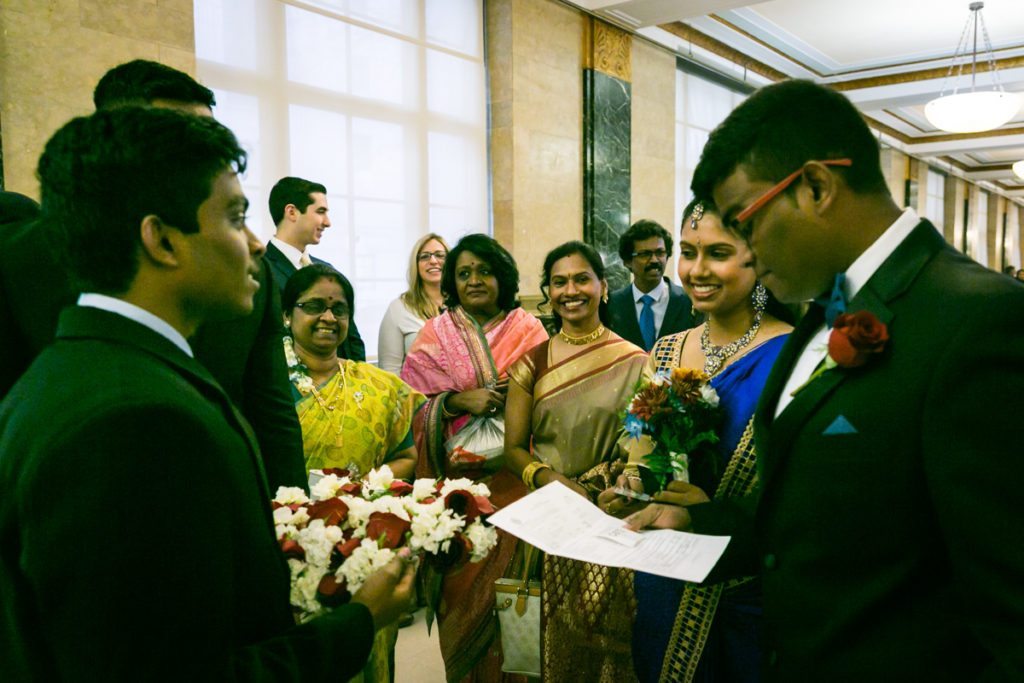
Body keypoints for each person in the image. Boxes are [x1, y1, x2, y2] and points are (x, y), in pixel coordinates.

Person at [626, 79, 1024, 680]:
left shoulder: (980, 322)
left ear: (814, 187)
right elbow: (804, 527)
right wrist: (696, 521)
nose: (749, 255)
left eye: (746, 224)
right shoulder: (818, 314)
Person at [0, 106, 415, 681]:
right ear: (163, 240)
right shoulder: (137, 420)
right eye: (235, 216)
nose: (250, 243)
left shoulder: (76, 368)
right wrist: (360, 621)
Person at [0, 59, 307, 491]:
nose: (203, 150)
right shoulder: (19, 262)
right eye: (179, 138)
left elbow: (271, 412)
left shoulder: (248, 270)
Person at [616, 201, 791, 683]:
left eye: (718, 252)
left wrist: (708, 510)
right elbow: (642, 449)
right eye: (688, 252)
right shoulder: (668, 348)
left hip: (746, 582)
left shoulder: (795, 356)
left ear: (759, 258)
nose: (697, 270)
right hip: (664, 571)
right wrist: (633, 481)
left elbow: (800, 495)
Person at [401, 233, 548, 681]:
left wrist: (515, 401)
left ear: (502, 276)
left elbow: (551, 405)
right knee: (461, 592)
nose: (474, 280)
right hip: (457, 494)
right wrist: (456, 402)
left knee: (516, 599)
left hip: (517, 485)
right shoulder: (436, 333)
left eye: (484, 270)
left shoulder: (531, 330)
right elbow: (412, 406)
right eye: (463, 274)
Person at [504, 240, 649, 682]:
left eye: (581, 278)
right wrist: (546, 477)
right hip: (550, 512)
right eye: (559, 281)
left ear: (603, 287)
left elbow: (644, 443)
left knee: (608, 628)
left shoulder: (636, 361)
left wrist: (627, 482)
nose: (571, 290)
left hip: (612, 509)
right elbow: (512, 450)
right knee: (552, 632)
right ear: (548, 292)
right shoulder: (531, 364)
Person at [281, 263, 425, 682]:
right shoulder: (267, 385)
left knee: (369, 648)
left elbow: (407, 455)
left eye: (339, 309)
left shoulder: (380, 387)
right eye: (314, 307)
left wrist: (358, 492)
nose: (329, 317)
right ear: (287, 316)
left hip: (361, 543)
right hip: (289, 546)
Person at [265, 176, 365, 361]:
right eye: (320, 211)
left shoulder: (328, 271)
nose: (327, 222)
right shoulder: (261, 271)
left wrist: (357, 382)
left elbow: (352, 340)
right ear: (292, 212)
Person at [607, 219, 699, 351]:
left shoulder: (689, 301)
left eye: (660, 253)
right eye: (645, 254)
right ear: (627, 261)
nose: (655, 260)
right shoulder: (611, 305)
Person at [377, 233, 449, 374]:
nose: (433, 261)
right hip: (416, 395)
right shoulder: (399, 308)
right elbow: (390, 372)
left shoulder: (465, 305)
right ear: (416, 265)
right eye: (425, 256)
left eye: (440, 255)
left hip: (466, 394)